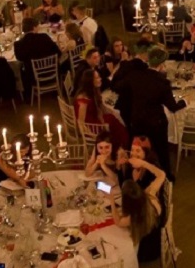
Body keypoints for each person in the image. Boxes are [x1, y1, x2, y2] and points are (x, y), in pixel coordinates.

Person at [126, 47, 187, 179]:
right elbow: (172, 107)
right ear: (161, 65)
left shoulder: (136, 75)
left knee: (138, 149)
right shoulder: (162, 82)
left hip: (137, 121)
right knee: (162, 150)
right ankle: (166, 176)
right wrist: (185, 101)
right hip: (155, 123)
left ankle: (137, 173)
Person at [110, 178, 164, 268]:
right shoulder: (150, 198)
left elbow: (117, 221)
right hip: (156, 243)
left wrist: (112, 201)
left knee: (120, 260)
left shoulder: (133, 217)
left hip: (146, 252)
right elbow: (162, 175)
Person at [73, 69, 128, 149]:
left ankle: (121, 146)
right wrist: (94, 136)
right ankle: (118, 147)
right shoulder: (83, 100)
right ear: (90, 81)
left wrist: (112, 111)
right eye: (97, 78)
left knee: (114, 118)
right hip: (92, 127)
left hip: (96, 119)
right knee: (114, 123)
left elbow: (100, 107)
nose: (100, 78)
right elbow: (80, 123)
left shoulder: (92, 91)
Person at [111, 41, 153, 129]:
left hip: (125, 107)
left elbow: (114, 85)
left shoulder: (126, 64)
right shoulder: (142, 68)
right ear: (144, 53)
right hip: (134, 108)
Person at [13, 17, 60, 91]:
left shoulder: (19, 44)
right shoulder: (45, 37)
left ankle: (26, 94)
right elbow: (58, 52)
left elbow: (19, 59)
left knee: (21, 69)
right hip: (52, 73)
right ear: (34, 27)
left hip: (33, 77)